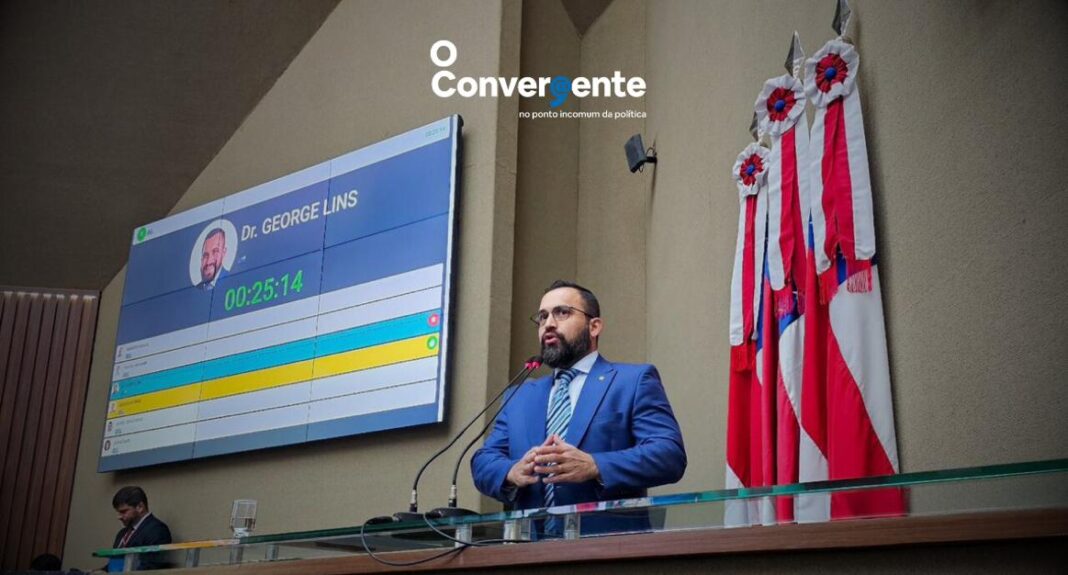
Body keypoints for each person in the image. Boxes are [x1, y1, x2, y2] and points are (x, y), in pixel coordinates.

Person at [471, 280, 686, 535]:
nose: (548, 324)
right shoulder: (520, 395)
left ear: (594, 326)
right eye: (542, 317)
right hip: (528, 553)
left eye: (562, 312)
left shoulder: (633, 381)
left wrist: (595, 465)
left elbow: (668, 454)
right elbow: (484, 461)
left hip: (608, 552)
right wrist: (511, 471)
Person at [111, 486, 172, 570]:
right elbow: (114, 564)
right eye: (118, 512)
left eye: (123, 512)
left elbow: (151, 566)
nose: (119, 517)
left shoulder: (157, 530)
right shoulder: (122, 533)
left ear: (140, 507)